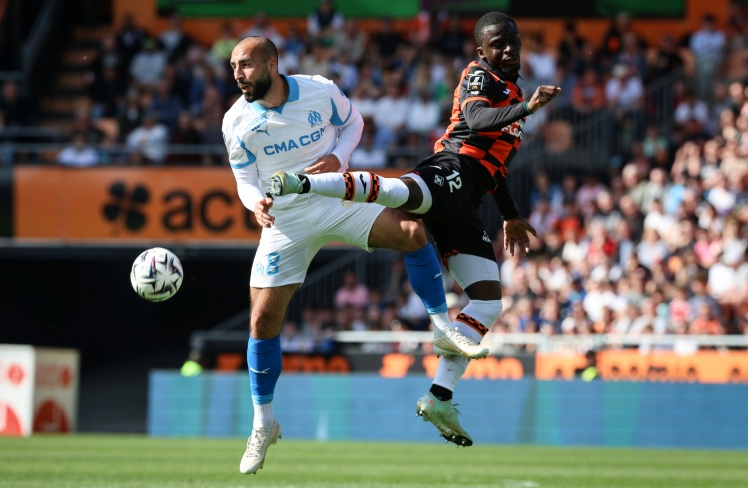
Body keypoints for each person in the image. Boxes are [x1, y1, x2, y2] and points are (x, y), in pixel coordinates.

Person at [270, 12, 561, 447]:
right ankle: (303, 183)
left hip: (470, 199)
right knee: (396, 192)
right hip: (451, 168)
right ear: (482, 50)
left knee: (488, 300)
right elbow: (478, 121)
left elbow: (495, 164)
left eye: (512, 41)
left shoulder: (513, 89)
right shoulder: (481, 77)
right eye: (497, 43)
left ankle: (439, 397)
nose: (507, 49)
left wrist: (510, 214)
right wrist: (529, 108)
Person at [222, 37, 485, 475]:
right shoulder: (236, 120)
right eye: (233, 66)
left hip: (333, 198)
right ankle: (263, 423)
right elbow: (243, 175)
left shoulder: (318, 89)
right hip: (285, 220)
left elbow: (354, 122)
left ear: (271, 62)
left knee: (410, 231)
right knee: (262, 322)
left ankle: (442, 328)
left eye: (245, 65)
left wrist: (337, 158)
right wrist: (254, 203)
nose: (237, 74)